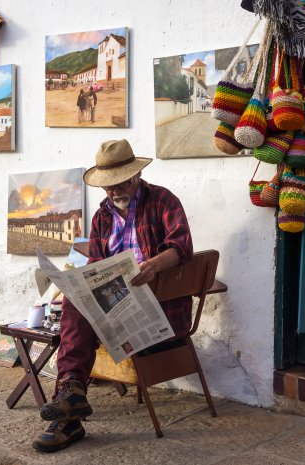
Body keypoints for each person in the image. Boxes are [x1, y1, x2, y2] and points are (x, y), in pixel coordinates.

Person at [32, 139, 194, 453]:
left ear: (135, 176)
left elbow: (181, 245)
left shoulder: (162, 200)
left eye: (120, 183)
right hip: (116, 308)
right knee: (76, 300)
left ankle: (67, 413)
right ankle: (71, 400)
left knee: (76, 319)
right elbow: (94, 263)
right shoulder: (102, 216)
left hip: (158, 310)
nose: (114, 191)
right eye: (108, 186)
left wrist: (154, 265)